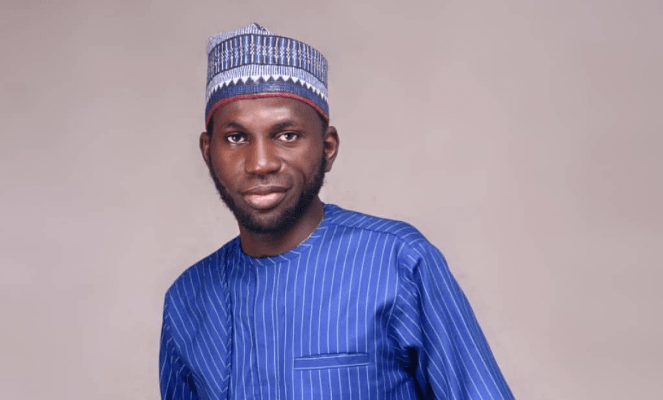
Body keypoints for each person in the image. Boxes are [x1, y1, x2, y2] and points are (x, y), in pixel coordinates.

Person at [159, 23, 516, 400]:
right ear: (208, 152)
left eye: (287, 135)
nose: (260, 163)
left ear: (327, 148)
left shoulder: (398, 263)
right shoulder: (187, 300)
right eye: (236, 138)